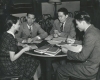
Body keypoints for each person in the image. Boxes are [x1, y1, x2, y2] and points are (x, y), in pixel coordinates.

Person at [56, 11, 100, 80]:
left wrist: (67, 52)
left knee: (60, 70)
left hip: (89, 69)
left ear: (83, 22)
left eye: (77, 24)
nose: (76, 26)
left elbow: (82, 57)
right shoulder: (95, 30)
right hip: (94, 64)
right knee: (69, 64)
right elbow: (89, 43)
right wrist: (75, 41)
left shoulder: (89, 34)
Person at [0, 15, 39, 80]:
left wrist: (22, 45)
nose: (20, 25)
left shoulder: (5, 34)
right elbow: (12, 58)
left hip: (4, 63)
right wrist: (24, 49)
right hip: (10, 67)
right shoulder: (11, 38)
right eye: (18, 24)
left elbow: (14, 43)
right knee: (34, 61)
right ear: (13, 25)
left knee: (31, 59)